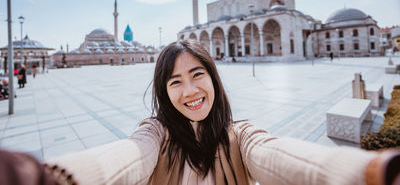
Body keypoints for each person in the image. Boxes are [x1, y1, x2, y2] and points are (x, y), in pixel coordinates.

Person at [41, 39, 399, 185]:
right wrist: (54, 177)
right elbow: (125, 158)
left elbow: (278, 155)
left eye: (198, 75)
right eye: (175, 81)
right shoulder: (156, 134)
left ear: (214, 78)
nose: (191, 91)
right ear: (165, 92)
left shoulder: (239, 136)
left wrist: (370, 170)